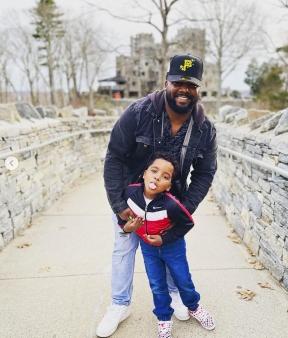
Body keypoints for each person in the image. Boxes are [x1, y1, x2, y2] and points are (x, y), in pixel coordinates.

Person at [97, 54, 217, 337]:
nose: (184, 90)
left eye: (191, 85)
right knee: (124, 249)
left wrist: (183, 210)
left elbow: (204, 173)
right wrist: (118, 206)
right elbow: (114, 157)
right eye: (178, 83)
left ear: (198, 89)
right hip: (131, 201)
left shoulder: (204, 129)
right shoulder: (138, 113)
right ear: (166, 83)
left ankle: (175, 294)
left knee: (168, 251)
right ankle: (120, 304)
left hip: (169, 204)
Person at [119, 151, 215, 337]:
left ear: (168, 186)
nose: (157, 177)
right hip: (148, 249)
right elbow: (122, 216)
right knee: (157, 285)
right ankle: (163, 319)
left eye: (165, 176)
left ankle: (194, 307)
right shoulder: (130, 193)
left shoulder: (171, 205)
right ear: (145, 173)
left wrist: (165, 239)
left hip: (173, 248)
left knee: (183, 280)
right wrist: (127, 228)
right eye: (154, 171)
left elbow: (187, 223)